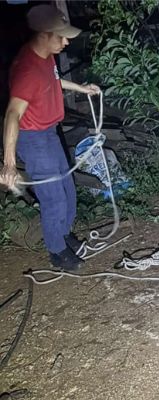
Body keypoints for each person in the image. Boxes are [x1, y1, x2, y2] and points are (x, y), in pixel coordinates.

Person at [0, 5, 100, 270]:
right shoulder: (27, 70)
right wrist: (9, 163)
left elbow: (53, 81)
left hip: (50, 132)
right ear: (44, 34)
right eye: (61, 36)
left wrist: (81, 88)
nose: (66, 41)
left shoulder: (46, 56)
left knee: (67, 188)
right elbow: (12, 114)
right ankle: (57, 251)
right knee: (53, 196)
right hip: (33, 139)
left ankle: (64, 235)